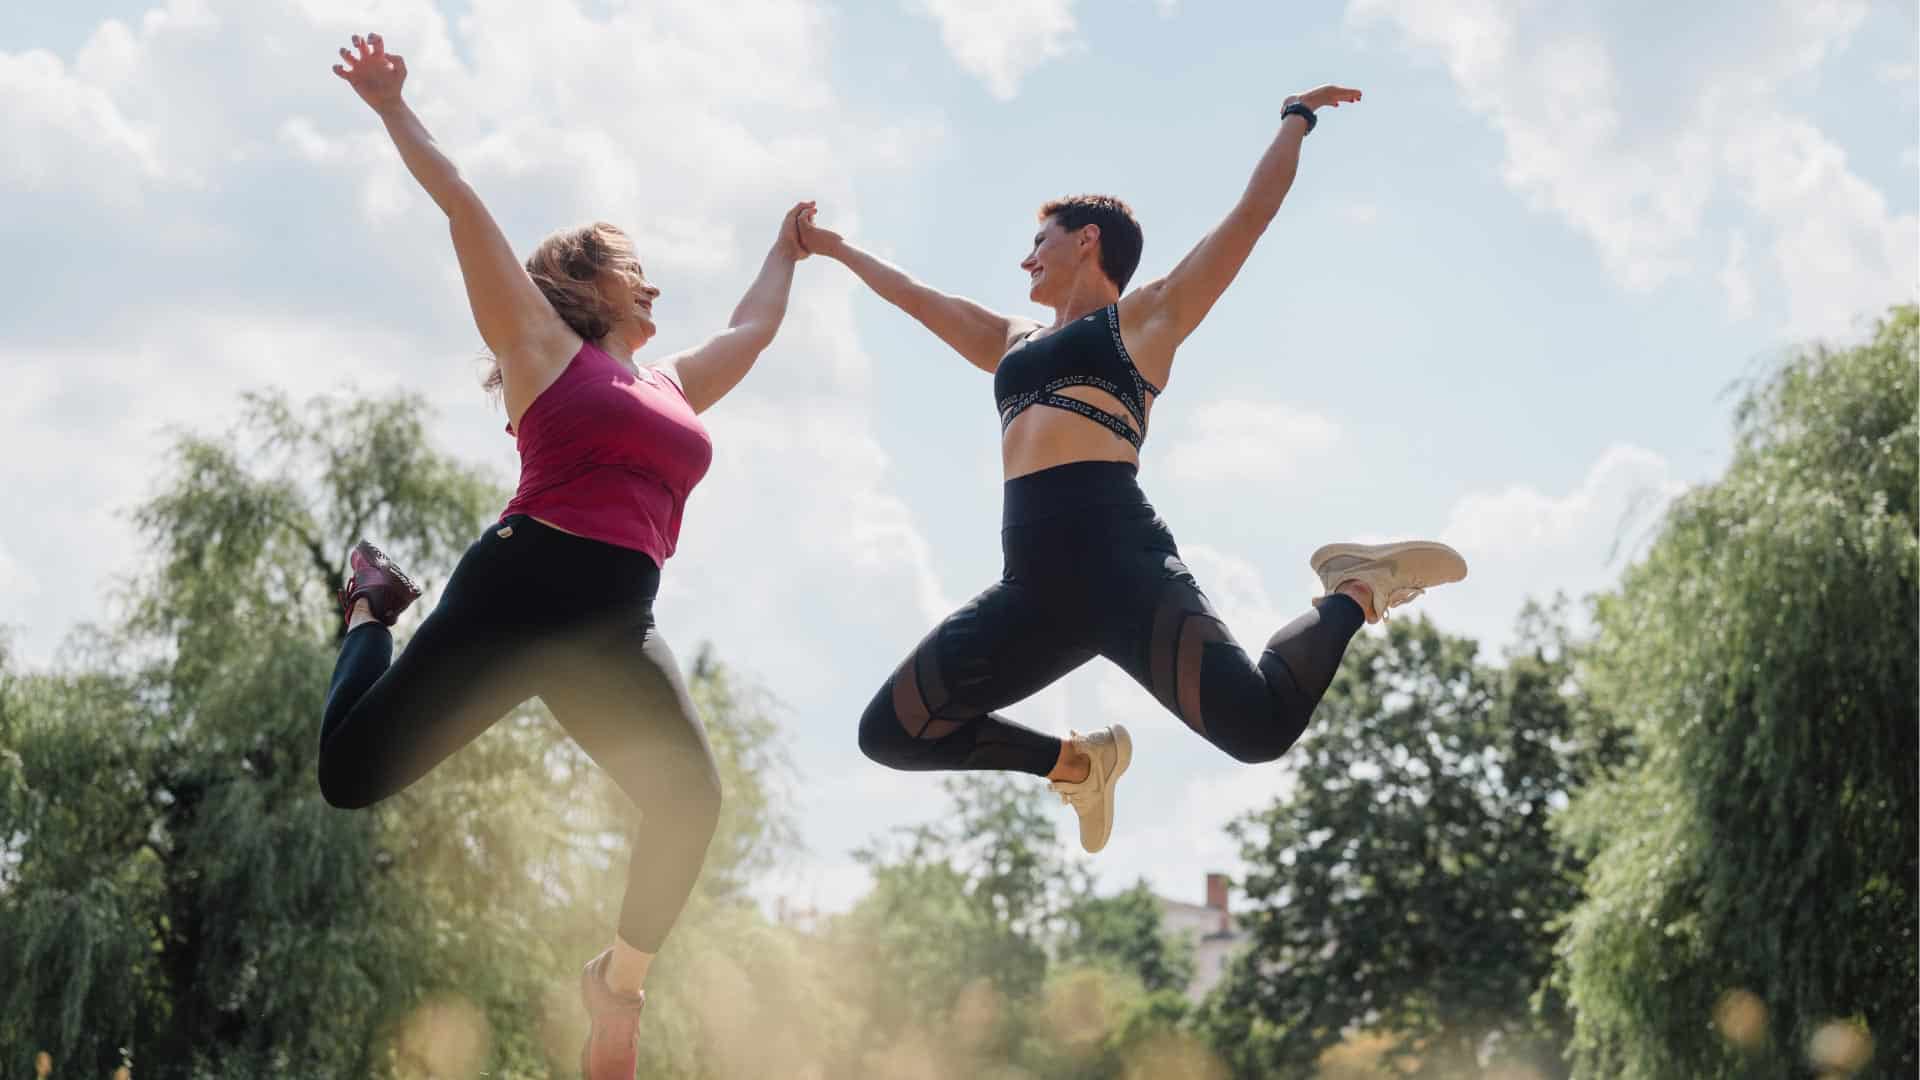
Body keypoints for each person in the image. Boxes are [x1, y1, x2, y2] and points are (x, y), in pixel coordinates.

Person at [798, 85, 1466, 856]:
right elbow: (919, 298)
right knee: (893, 733)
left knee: (1258, 730)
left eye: (1038, 240)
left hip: (1123, 567)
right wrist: (837, 249)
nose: (1025, 257)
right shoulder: (1012, 343)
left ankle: (1355, 587)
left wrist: (1295, 118)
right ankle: (1078, 765)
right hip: (1034, 590)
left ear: (1086, 240)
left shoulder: (1144, 321)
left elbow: (1248, 217)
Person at [322, 32, 810, 1077]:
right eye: (640, 276)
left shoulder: (674, 383)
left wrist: (788, 247)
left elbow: (755, 329)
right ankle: (369, 609)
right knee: (350, 778)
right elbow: (463, 207)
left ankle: (615, 987)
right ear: (591, 287)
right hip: (518, 593)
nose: (656, 292)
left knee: (692, 799)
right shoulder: (542, 349)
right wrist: (390, 105)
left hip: (612, 627)